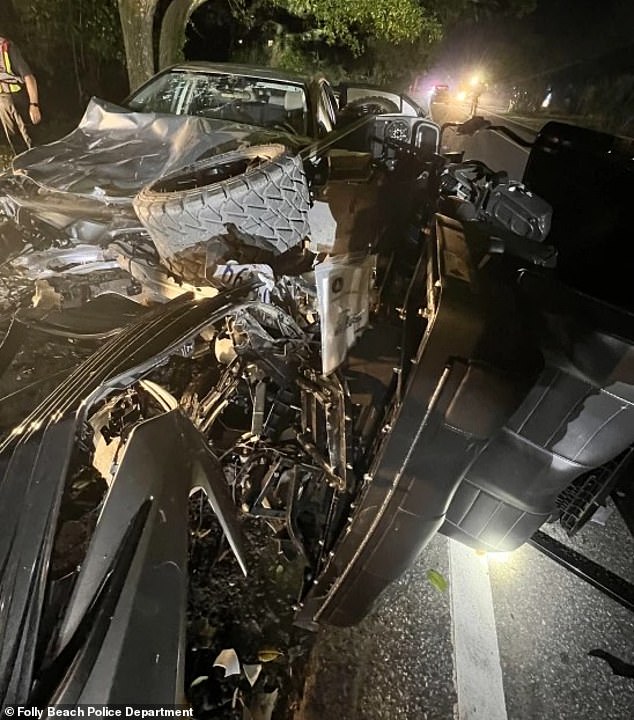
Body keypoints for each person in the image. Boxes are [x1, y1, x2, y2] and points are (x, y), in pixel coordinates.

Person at [0, 34, 41, 154]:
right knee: (15, 143)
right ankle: (23, 170)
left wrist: (34, 105)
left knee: (31, 139)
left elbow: (29, 77)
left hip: (17, 98)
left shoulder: (7, 47)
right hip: (2, 101)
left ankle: (40, 168)